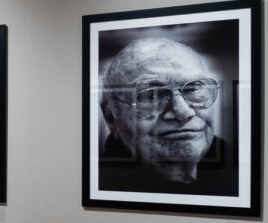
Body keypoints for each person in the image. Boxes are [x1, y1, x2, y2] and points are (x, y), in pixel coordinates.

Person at [99, 37, 237, 195]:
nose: (183, 112)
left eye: (192, 89)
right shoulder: (102, 184)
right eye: (151, 95)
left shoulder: (237, 167)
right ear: (111, 116)